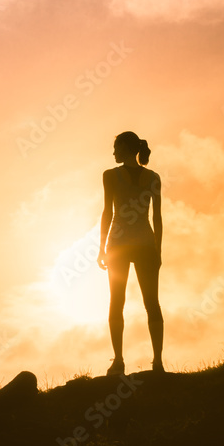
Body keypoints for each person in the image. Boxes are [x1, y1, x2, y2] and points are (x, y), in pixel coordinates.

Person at [97, 131, 164, 375]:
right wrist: (158, 250)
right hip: (146, 244)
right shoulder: (153, 177)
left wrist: (101, 248)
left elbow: (107, 213)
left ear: (125, 147)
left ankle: (118, 362)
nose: (113, 152)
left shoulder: (110, 176)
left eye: (116, 147)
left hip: (119, 245)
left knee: (117, 302)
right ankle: (157, 363)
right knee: (152, 303)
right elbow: (156, 218)